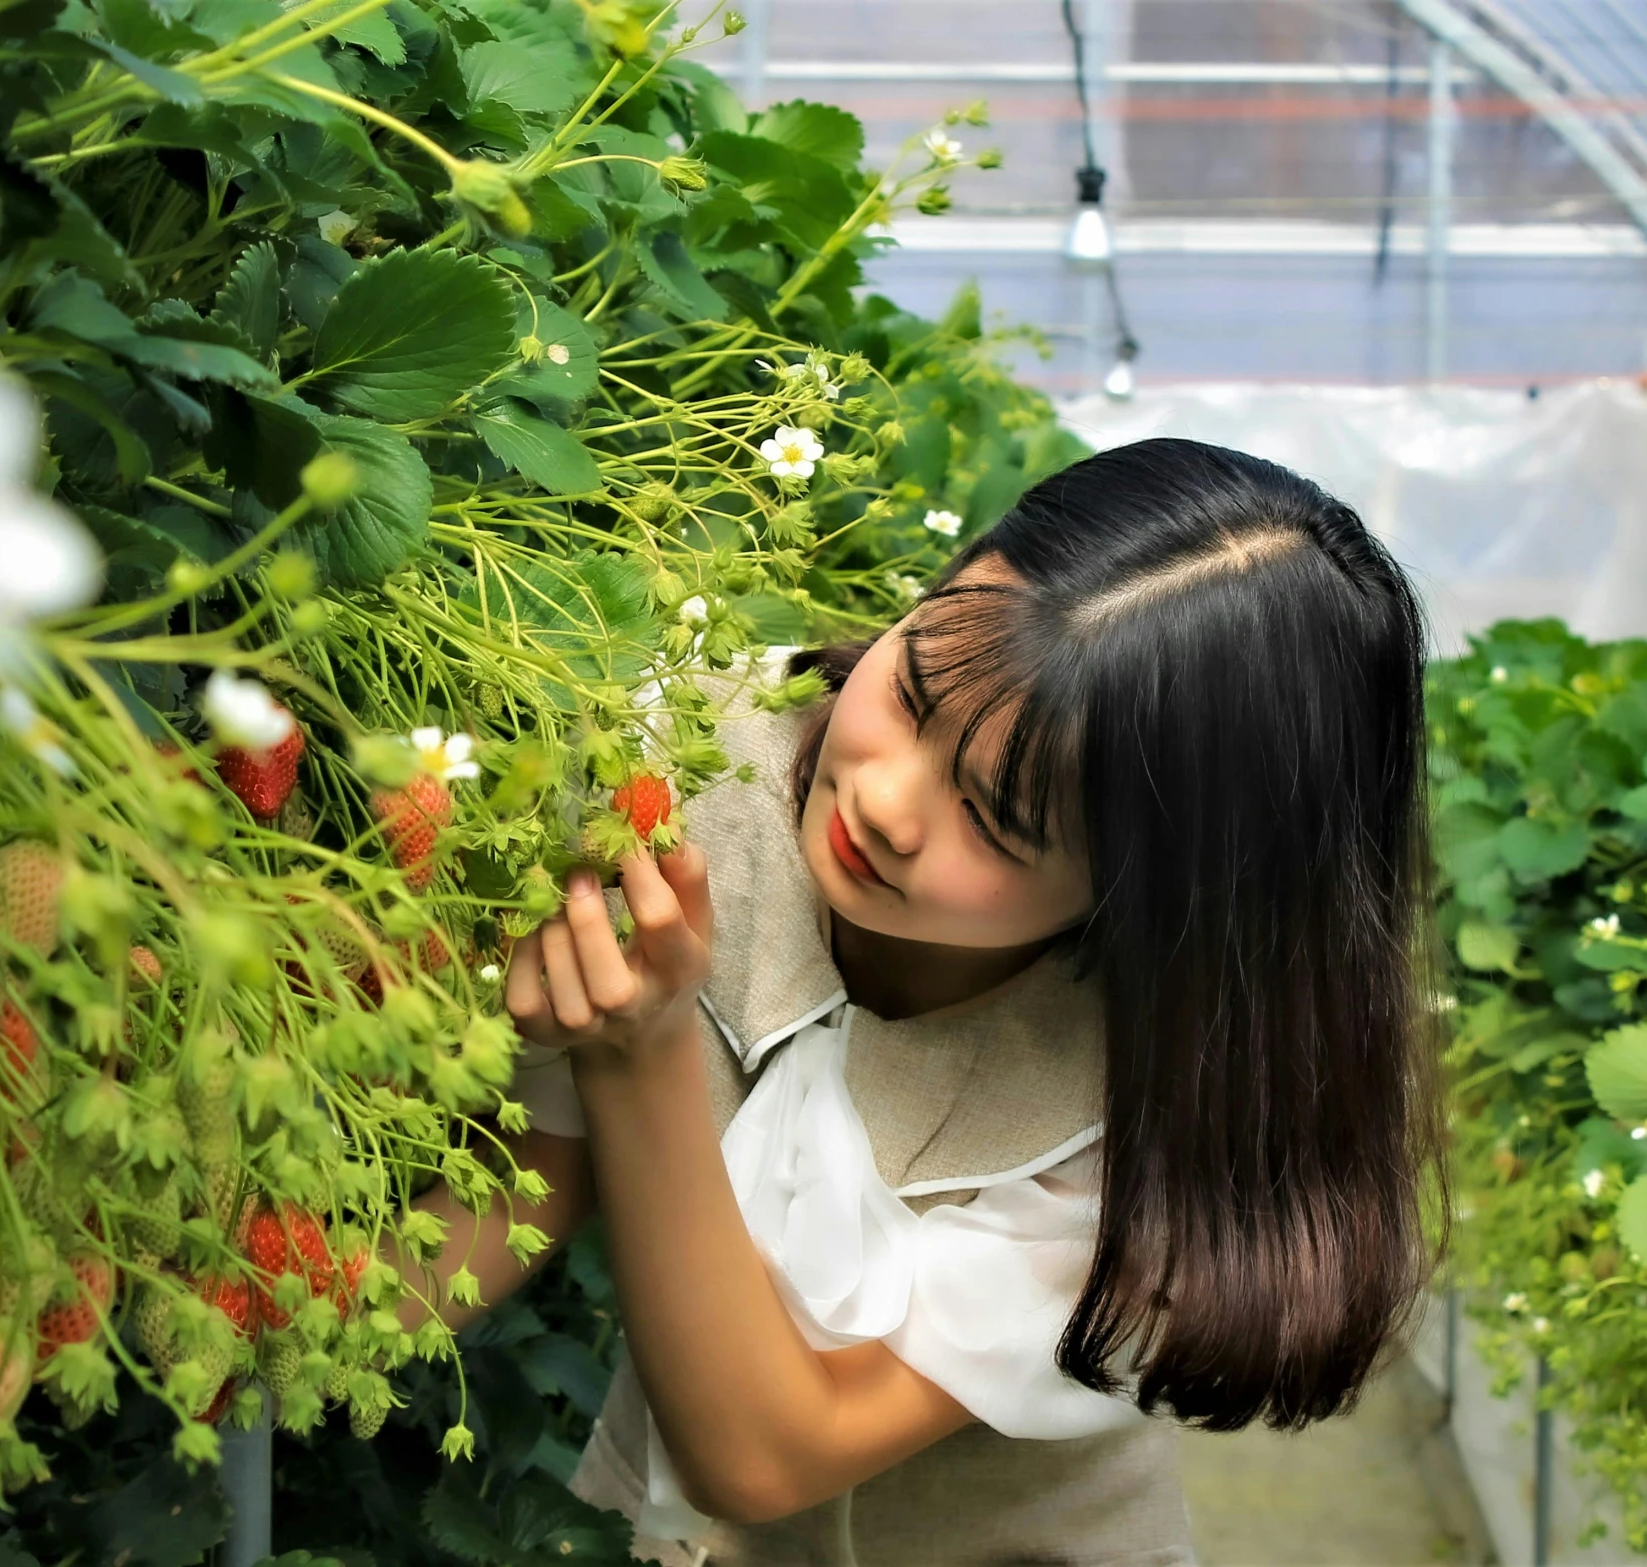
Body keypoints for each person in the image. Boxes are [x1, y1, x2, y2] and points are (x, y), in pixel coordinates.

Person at [411, 438, 1448, 1564]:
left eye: (997, 819)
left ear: (1161, 903)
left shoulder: (1156, 1123)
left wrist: (642, 1051)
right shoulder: (707, 760)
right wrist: (239, 1340)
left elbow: (763, 1454)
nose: (890, 802)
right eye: (909, 690)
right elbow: (526, 1180)